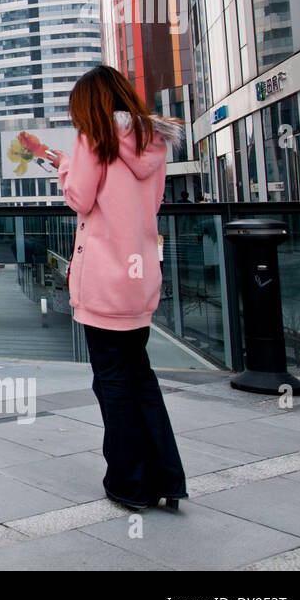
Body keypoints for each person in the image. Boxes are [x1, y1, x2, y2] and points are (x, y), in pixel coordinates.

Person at [46, 65, 187, 512]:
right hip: (140, 276)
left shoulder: (94, 139)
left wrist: (65, 165)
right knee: (140, 378)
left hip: (105, 282)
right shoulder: (153, 141)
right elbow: (152, 203)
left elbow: (81, 199)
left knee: (112, 383)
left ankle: (129, 482)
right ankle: (167, 477)